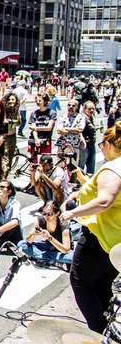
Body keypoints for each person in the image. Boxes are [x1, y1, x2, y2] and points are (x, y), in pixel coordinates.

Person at [60, 123, 121, 332]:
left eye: (103, 144)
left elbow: (105, 201)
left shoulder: (112, 168)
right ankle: (108, 334)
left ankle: (99, 331)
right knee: (102, 288)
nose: (101, 148)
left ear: (112, 144)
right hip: (115, 244)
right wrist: (85, 184)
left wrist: (72, 212)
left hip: (98, 239)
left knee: (81, 282)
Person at [19, 201, 72, 267]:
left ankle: (42, 258)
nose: (46, 217)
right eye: (44, 213)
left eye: (49, 214)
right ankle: (52, 260)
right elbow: (28, 241)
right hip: (48, 246)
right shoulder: (40, 220)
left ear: (57, 213)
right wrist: (33, 234)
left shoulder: (63, 225)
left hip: (60, 250)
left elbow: (66, 249)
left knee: (71, 258)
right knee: (22, 244)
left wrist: (49, 238)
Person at [27, 93, 57, 157]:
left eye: (40, 101)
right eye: (36, 101)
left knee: (45, 161)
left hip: (46, 140)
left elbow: (49, 128)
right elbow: (33, 127)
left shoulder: (52, 113)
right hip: (34, 139)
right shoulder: (34, 113)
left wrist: (36, 128)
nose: (38, 102)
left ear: (45, 101)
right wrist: (36, 139)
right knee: (33, 162)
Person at [79, 101, 98, 175]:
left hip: (91, 145)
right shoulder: (82, 118)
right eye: (89, 109)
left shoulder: (91, 117)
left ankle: (89, 184)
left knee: (91, 167)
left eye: (93, 109)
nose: (92, 110)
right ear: (84, 109)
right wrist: (82, 139)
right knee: (81, 167)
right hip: (84, 146)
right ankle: (78, 184)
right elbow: (79, 130)